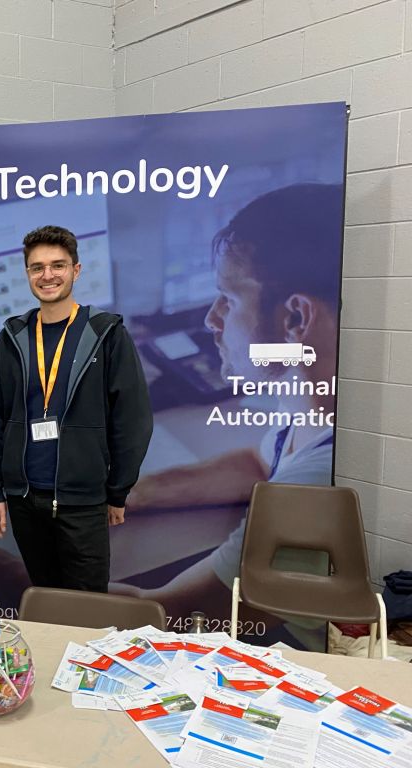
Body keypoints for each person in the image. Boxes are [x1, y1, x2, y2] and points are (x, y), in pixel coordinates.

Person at [112, 184, 342, 642]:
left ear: (295, 319)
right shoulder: (317, 398)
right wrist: (129, 495)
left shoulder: (314, 483)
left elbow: (169, 613)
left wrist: (9, 579)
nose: (211, 320)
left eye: (229, 299)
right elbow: (261, 464)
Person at [0, 225, 153, 593]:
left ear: (76, 270)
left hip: (82, 499)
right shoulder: (13, 337)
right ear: (27, 274)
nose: (47, 275)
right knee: (47, 601)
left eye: (57, 265)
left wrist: (117, 491)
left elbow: (133, 419)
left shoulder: (106, 334)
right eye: (37, 267)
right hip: (24, 500)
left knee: (88, 608)